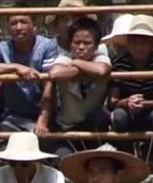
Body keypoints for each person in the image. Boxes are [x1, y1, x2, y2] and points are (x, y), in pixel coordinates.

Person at [0, 8, 61, 136]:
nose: (18, 27)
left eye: (24, 22)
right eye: (13, 23)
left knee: (54, 152)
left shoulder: (46, 46)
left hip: (42, 114)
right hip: (12, 116)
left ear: (34, 25)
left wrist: (42, 121)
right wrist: (16, 67)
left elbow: (49, 86)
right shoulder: (2, 47)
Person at [38, 16, 110, 159]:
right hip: (66, 127)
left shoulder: (100, 58)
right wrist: (83, 67)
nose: (81, 47)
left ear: (96, 46)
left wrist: (76, 63)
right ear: (70, 44)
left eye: (87, 43)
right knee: (64, 161)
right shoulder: (64, 58)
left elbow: (102, 70)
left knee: (100, 117)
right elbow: (55, 73)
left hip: (91, 126)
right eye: (77, 42)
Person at [105, 15, 153, 163]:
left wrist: (144, 104)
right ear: (128, 43)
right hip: (126, 111)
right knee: (118, 117)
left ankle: (149, 152)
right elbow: (112, 101)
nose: (139, 47)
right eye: (135, 42)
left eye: (144, 42)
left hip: (151, 111)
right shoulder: (118, 63)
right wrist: (127, 102)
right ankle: (126, 155)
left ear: (152, 44)